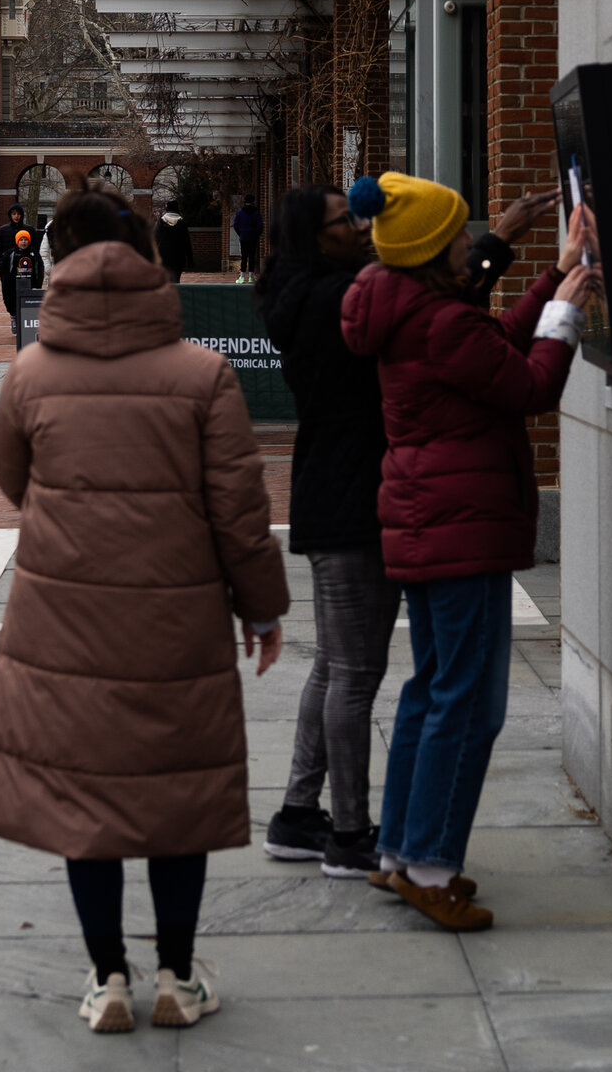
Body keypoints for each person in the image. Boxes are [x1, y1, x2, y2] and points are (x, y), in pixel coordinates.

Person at [0, 176, 290, 1035]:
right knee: (173, 796)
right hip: (176, 615)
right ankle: (176, 977)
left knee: (87, 803)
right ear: (154, 264)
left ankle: (106, 975)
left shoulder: (31, 372)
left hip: (63, 617)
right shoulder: (204, 374)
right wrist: (261, 609)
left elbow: (13, 480)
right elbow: (239, 507)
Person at [340, 172, 598, 932]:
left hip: (431, 521)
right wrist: (566, 317)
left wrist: (556, 273)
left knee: (431, 691)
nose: (469, 241)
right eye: (458, 234)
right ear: (431, 250)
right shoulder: (437, 321)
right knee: (469, 704)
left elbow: (492, 346)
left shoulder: (412, 307)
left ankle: (399, 851)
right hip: (462, 526)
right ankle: (429, 865)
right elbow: (526, 384)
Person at [255, 185, 400, 877]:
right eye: (348, 221)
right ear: (319, 238)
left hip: (329, 489)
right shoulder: (335, 299)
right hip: (352, 497)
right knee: (356, 673)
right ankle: (347, 833)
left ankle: (298, 815)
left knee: (334, 666)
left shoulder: (309, 295)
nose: (362, 227)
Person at [0, 203, 27, 315]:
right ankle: (13, 315)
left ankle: (22, 318)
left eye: (18, 214)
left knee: (25, 293)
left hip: (24, 268)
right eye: (14, 214)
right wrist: (1, 264)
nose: (16, 216)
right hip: (7, 269)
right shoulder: (3, 230)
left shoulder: (28, 230)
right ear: (10, 215)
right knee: (8, 295)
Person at [155, 205, 194, 282]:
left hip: (164, 255)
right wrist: (190, 260)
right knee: (176, 279)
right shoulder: (182, 222)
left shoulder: (161, 221)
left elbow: (155, 239)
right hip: (179, 255)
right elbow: (187, 242)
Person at [232, 196, 263, 278]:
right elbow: (260, 225)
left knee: (244, 256)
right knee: (252, 256)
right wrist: (257, 234)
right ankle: (251, 277)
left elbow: (235, 224)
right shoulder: (256, 212)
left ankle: (242, 276)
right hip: (253, 236)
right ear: (253, 202)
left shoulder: (240, 212)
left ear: (245, 202)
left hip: (243, 236)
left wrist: (240, 233)